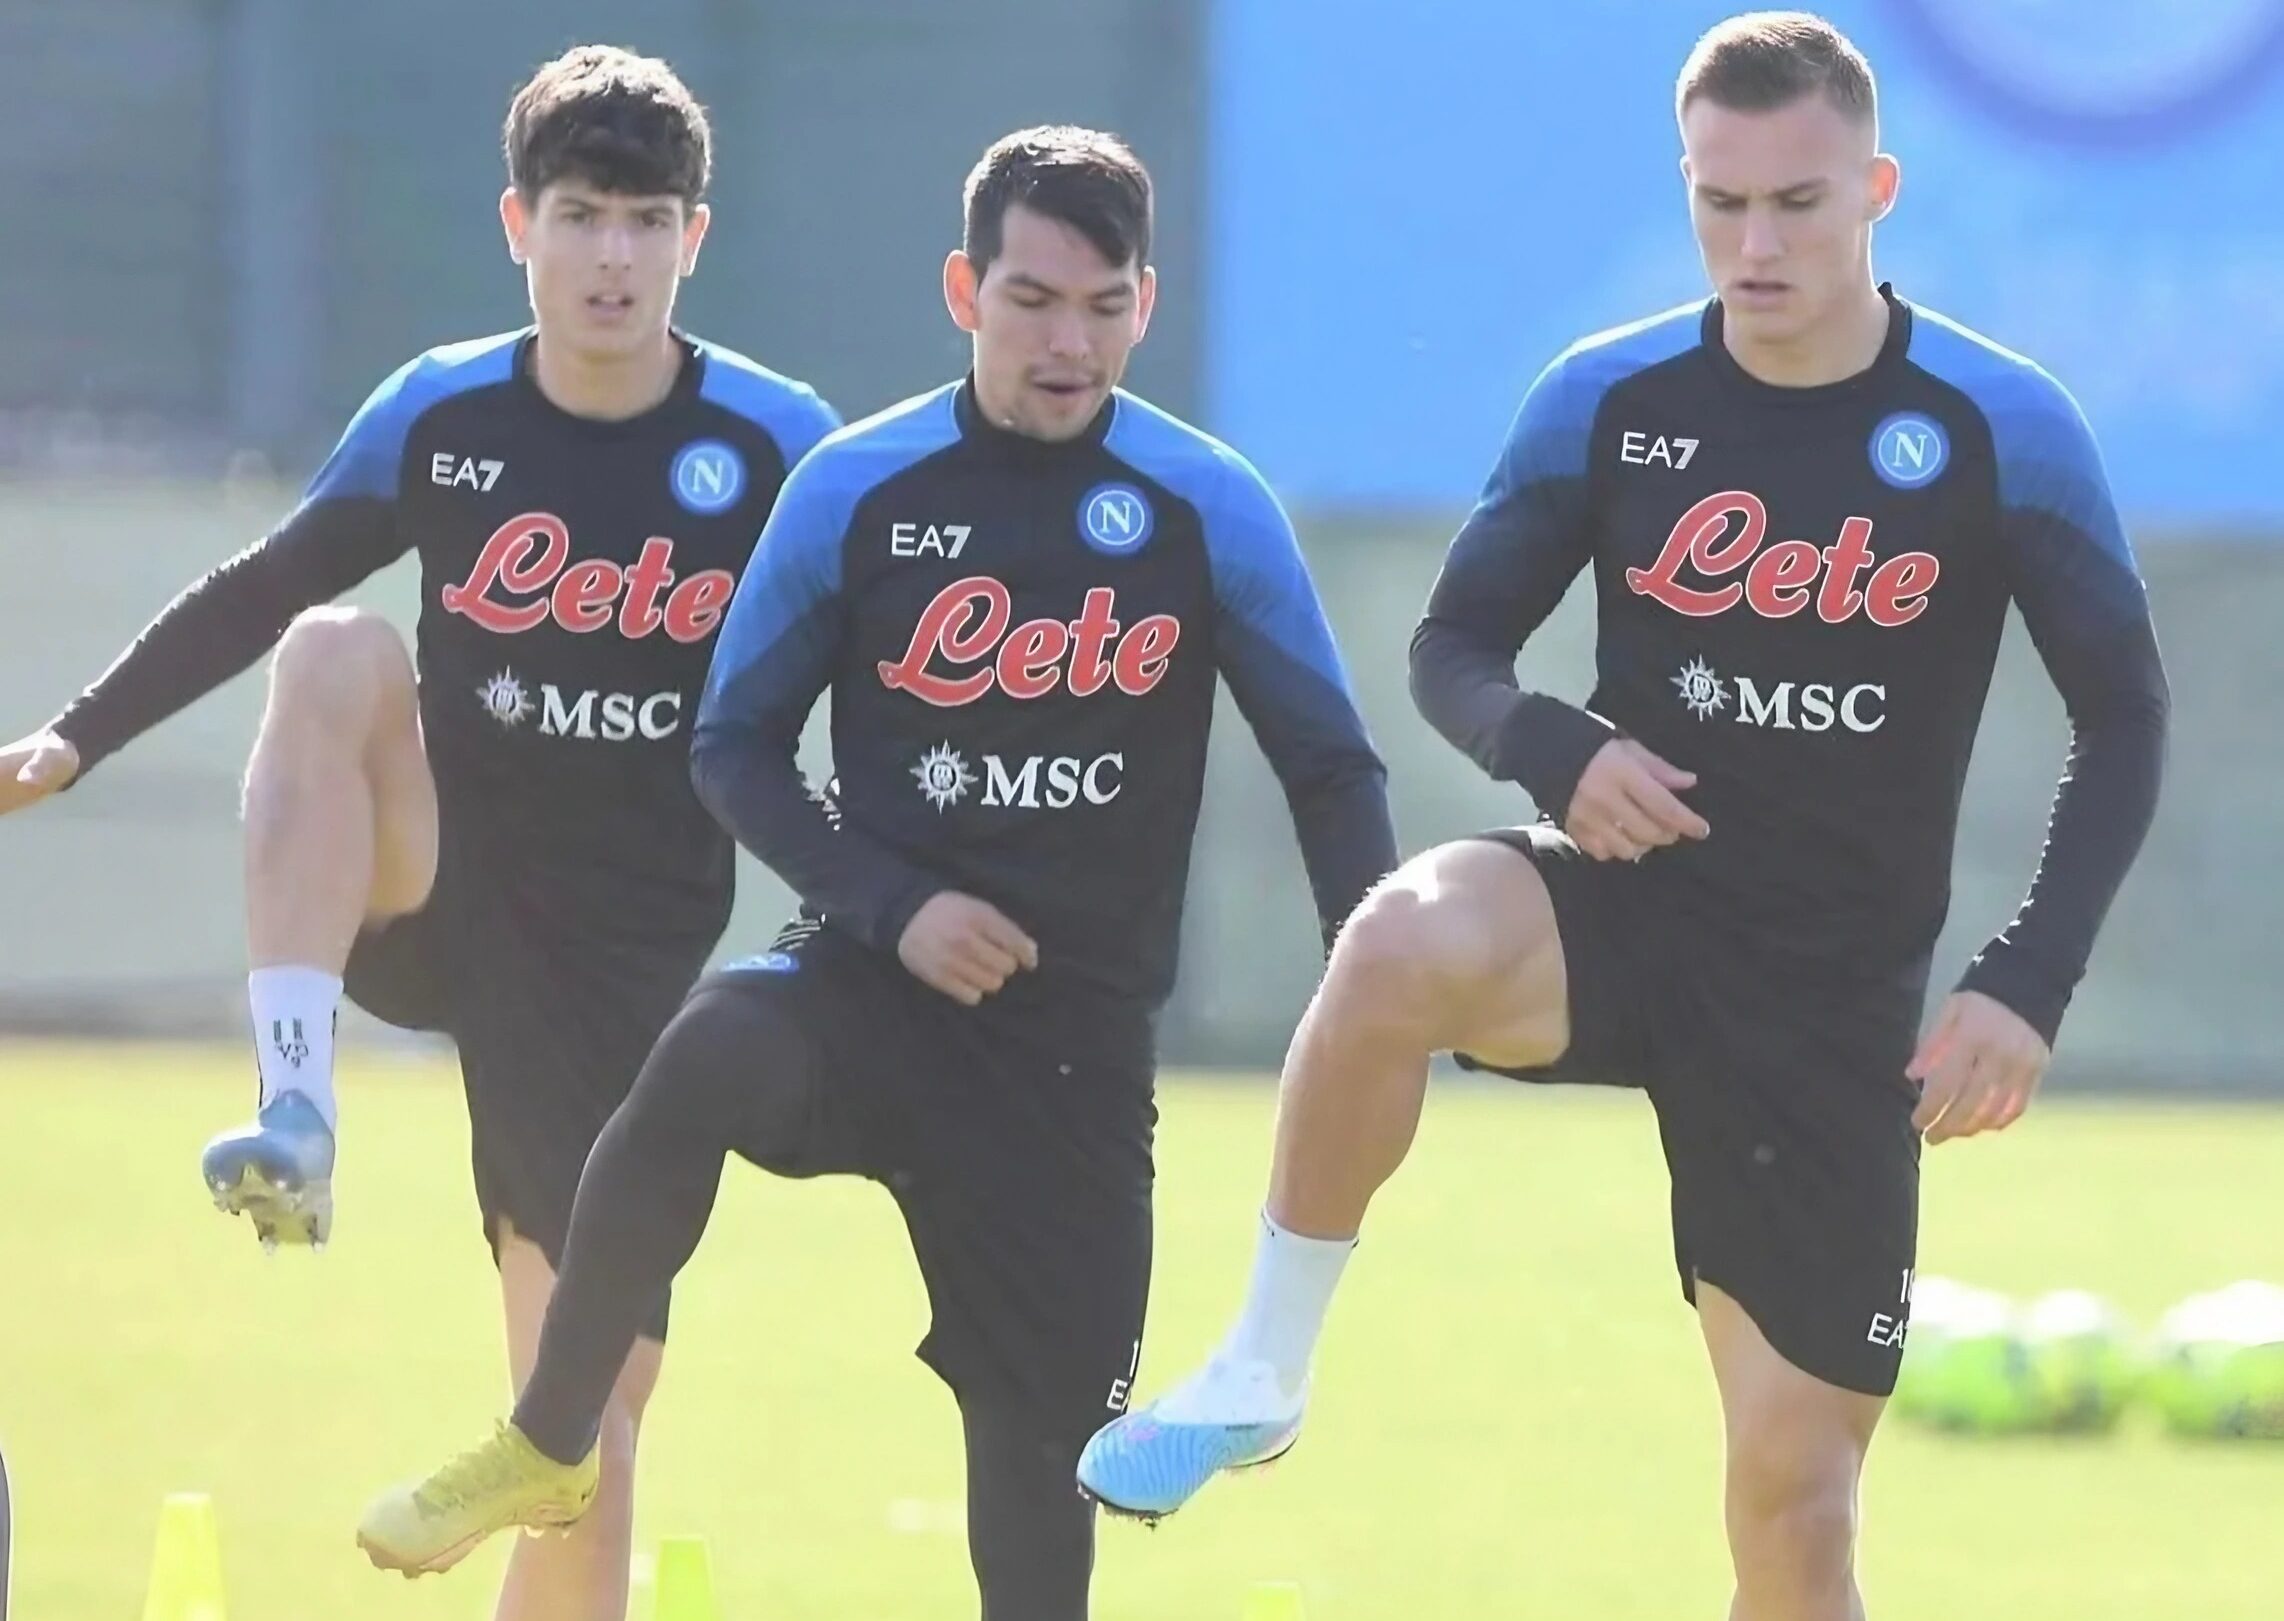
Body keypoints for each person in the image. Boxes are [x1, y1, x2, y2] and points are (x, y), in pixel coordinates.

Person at [1078, 13, 2170, 1619]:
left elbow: (2127, 714)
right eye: (1721, 201)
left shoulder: (2002, 426)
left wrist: (2027, 976)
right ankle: (1263, 1360)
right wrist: (1553, 747)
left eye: (1798, 201)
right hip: (1625, 914)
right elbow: (1455, 646)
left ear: (1876, 188)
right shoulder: (1611, 397)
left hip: (1827, 1003)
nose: (1756, 240)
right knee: (1397, 939)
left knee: (1793, 1517)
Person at [353, 123, 1397, 1618]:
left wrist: (1376, 975)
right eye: (1033, 299)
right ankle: (551, 1438)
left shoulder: (1206, 503)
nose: (1068, 341)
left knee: (1041, 1505)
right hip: (867, 992)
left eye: (1104, 309)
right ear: (964, 287)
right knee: (706, 1050)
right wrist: (896, 905)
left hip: (1070, 1068)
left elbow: (1332, 767)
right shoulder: (858, 485)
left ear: (1144, 308)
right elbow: (734, 749)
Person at [0, 46, 838, 1621]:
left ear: (694, 240)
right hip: (439, 874)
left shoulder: (784, 440)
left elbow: (883, 653)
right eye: (580, 214)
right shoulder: (442, 411)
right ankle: (298, 1105)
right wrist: (76, 735)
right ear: (516, 223)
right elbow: (258, 588)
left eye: (646, 220)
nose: (611, 255)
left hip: (626, 955)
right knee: (334, 647)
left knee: (577, 1431)